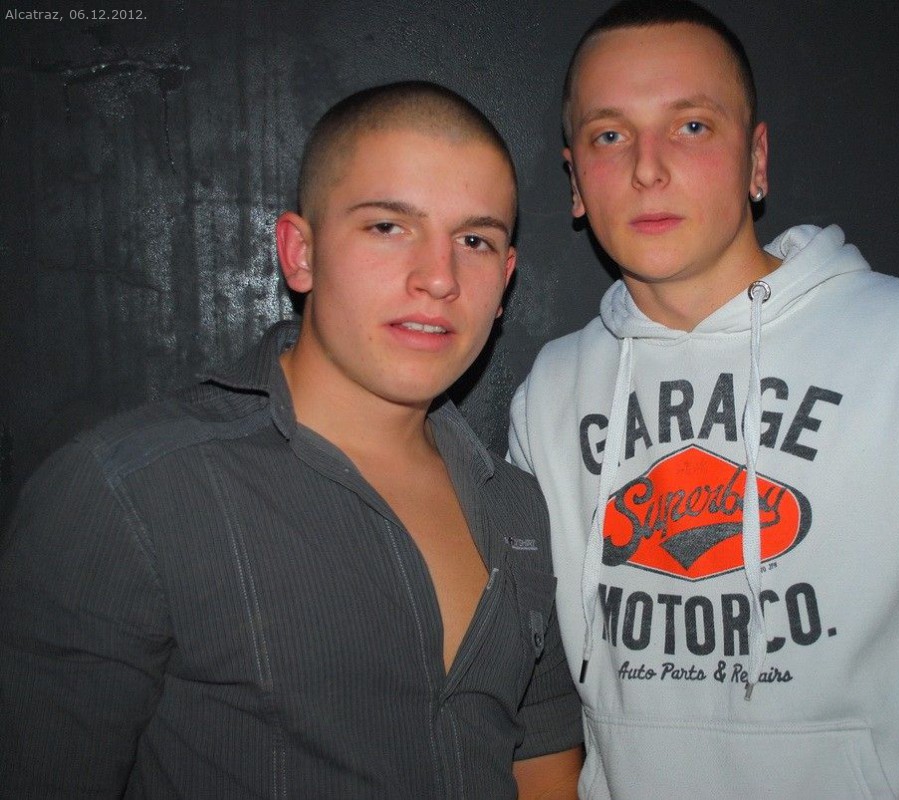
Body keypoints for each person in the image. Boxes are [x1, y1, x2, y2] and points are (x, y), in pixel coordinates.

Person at [507, 2, 899, 797]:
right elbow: (537, 695)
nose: (647, 168)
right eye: (610, 135)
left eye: (692, 126)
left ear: (756, 160)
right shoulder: (550, 394)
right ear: (574, 181)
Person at [1, 81, 582, 799]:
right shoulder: (131, 492)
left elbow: (544, 763)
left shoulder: (518, 507)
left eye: (474, 241)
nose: (439, 278)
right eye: (387, 227)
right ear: (300, 253)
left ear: (505, 280)